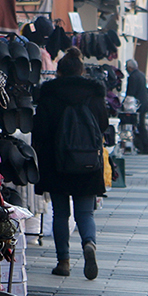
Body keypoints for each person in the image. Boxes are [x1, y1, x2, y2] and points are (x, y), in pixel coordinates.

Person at [34, 47, 109, 279]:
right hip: (87, 162)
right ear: (82, 70)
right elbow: (103, 124)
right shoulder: (94, 93)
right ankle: (89, 243)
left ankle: (63, 262)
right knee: (85, 213)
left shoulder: (49, 94)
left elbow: (39, 131)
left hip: (56, 163)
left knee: (60, 214)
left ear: (59, 72)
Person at [124, 58, 148, 154]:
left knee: (139, 126)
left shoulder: (132, 77)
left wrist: (125, 102)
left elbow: (131, 92)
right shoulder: (141, 75)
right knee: (141, 125)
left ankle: (145, 147)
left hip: (137, 105)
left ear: (130, 68)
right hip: (143, 103)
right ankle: (144, 146)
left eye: (126, 68)